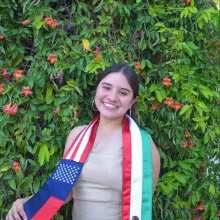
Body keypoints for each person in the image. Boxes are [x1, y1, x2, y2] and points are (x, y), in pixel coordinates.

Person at [6, 63, 160, 220]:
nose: (112, 97)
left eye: (123, 92)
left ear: (133, 101)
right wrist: (25, 203)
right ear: (97, 89)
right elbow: (64, 191)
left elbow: (142, 204)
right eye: (106, 88)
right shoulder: (77, 136)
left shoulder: (143, 146)